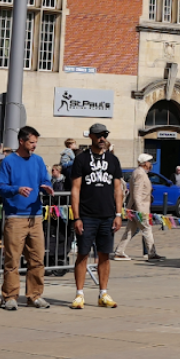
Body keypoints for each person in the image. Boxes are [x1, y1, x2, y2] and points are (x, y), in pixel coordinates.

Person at [0, 125, 52, 310]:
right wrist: (16, 189)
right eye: (31, 142)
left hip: (35, 216)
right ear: (21, 141)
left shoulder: (38, 160)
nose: (34, 145)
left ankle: (34, 296)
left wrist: (46, 186)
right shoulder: (8, 161)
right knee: (12, 259)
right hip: (15, 217)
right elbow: (1, 187)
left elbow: (45, 179)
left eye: (36, 142)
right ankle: (10, 296)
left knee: (37, 259)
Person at [68, 123, 123, 308]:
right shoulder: (81, 159)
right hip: (86, 214)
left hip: (107, 215)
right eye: (99, 135)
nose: (102, 138)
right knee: (82, 254)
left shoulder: (113, 160)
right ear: (91, 136)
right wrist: (77, 217)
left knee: (104, 255)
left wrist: (118, 214)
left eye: (104, 135)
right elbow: (75, 190)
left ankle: (103, 293)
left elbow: (118, 189)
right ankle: (79, 294)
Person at [126, 153, 160, 262]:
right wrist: (140, 210)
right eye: (150, 162)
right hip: (140, 208)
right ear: (145, 163)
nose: (151, 164)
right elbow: (137, 193)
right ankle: (151, 253)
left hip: (136, 207)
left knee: (130, 231)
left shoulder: (139, 172)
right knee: (147, 229)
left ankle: (119, 251)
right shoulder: (140, 174)